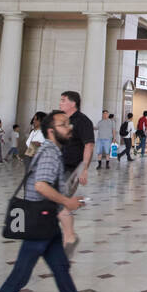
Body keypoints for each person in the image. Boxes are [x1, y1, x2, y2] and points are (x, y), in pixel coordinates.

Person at [0, 111, 107, 292]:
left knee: (60, 267)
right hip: (39, 221)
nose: (69, 128)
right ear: (52, 131)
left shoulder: (52, 151)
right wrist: (67, 202)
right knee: (19, 277)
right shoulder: (49, 153)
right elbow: (41, 185)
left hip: (46, 219)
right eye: (64, 125)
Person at [57, 91, 94, 257]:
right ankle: (67, 236)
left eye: (63, 101)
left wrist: (84, 169)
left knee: (61, 202)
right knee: (56, 203)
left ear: (73, 103)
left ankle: (69, 237)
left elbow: (89, 145)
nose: (60, 103)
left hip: (72, 169)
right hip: (57, 166)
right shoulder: (61, 120)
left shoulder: (83, 122)